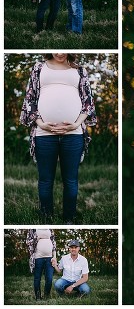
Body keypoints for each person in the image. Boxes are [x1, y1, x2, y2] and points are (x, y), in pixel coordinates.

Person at [19, 53, 98, 223]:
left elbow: (88, 102)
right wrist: (40, 123)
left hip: (73, 133)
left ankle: (69, 218)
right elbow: (30, 99)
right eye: (56, 50)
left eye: (64, 50)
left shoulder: (79, 70)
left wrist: (76, 124)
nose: (60, 53)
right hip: (44, 133)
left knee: (70, 180)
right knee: (46, 180)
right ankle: (46, 217)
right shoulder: (39, 68)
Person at [26, 229, 57, 300]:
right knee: (37, 278)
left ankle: (46, 296)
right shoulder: (32, 229)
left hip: (49, 258)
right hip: (37, 258)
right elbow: (28, 242)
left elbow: (54, 242)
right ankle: (38, 297)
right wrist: (37, 238)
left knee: (49, 278)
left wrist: (54, 257)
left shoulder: (50, 229)